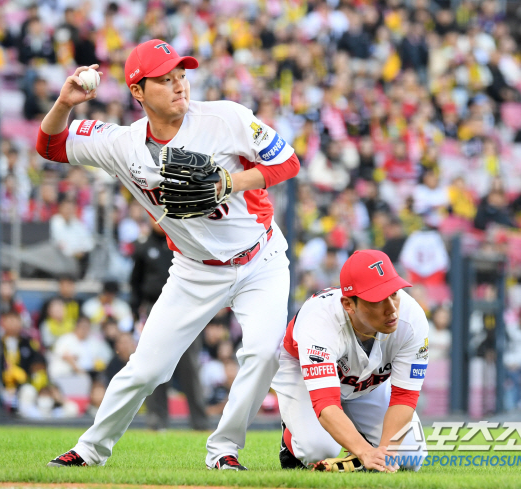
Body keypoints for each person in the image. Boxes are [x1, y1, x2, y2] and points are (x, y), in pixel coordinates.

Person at [38, 39, 299, 470]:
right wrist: (64, 103)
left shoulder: (225, 117)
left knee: (263, 352)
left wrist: (230, 183)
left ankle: (224, 451)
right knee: (146, 369)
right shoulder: (120, 143)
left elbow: (287, 162)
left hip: (260, 259)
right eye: (165, 79)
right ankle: (89, 450)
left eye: (181, 76)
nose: (180, 86)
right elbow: (50, 147)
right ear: (138, 92)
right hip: (194, 270)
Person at [272, 250, 429, 471]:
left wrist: (383, 455)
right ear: (348, 304)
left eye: (393, 292)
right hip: (302, 374)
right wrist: (365, 452)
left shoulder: (411, 318)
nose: (391, 308)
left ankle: (359, 441)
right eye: (378, 299)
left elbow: (405, 396)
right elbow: (325, 401)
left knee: (410, 456)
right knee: (317, 450)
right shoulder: (320, 321)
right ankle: (291, 438)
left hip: (366, 382)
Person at [130, 221, 208, 431]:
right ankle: (157, 420)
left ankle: (199, 422)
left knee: (189, 367)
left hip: (186, 308)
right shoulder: (143, 247)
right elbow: (135, 284)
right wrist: (135, 313)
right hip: (155, 308)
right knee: (155, 364)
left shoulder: (183, 241)